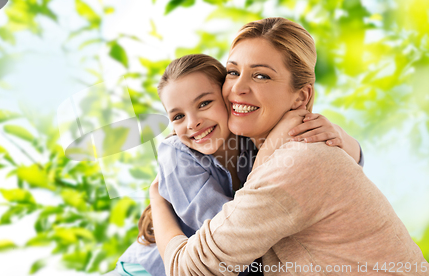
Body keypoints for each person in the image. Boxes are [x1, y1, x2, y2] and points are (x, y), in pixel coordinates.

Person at [150, 18, 428, 275]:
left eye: (261, 76)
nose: (238, 88)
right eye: (233, 72)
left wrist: (157, 200)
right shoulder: (268, 148)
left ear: (301, 97)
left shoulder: (298, 161)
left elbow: (187, 269)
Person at [112, 53, 364, 276]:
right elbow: (231, 239)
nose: (192, 123)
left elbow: (337, 170)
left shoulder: (250, 139)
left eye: (204, 104)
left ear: (227, 100)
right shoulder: (177, 156)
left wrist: (342, 138)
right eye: (178, 116)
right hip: (146, 269)